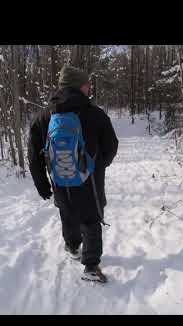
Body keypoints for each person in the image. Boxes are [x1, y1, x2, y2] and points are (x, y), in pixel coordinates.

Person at [27, 65, 118, 283]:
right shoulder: (96, 114)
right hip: (90, 182)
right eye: (87, 85)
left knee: (67, 212)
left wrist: (41, 183)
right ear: (80, 86)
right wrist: (98, 166)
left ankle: (72, 245)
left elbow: (33, 154)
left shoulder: (43, 116)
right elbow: (111, 145)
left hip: (60, 180)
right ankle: (91, 266)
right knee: (91, 219)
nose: (89, 89)